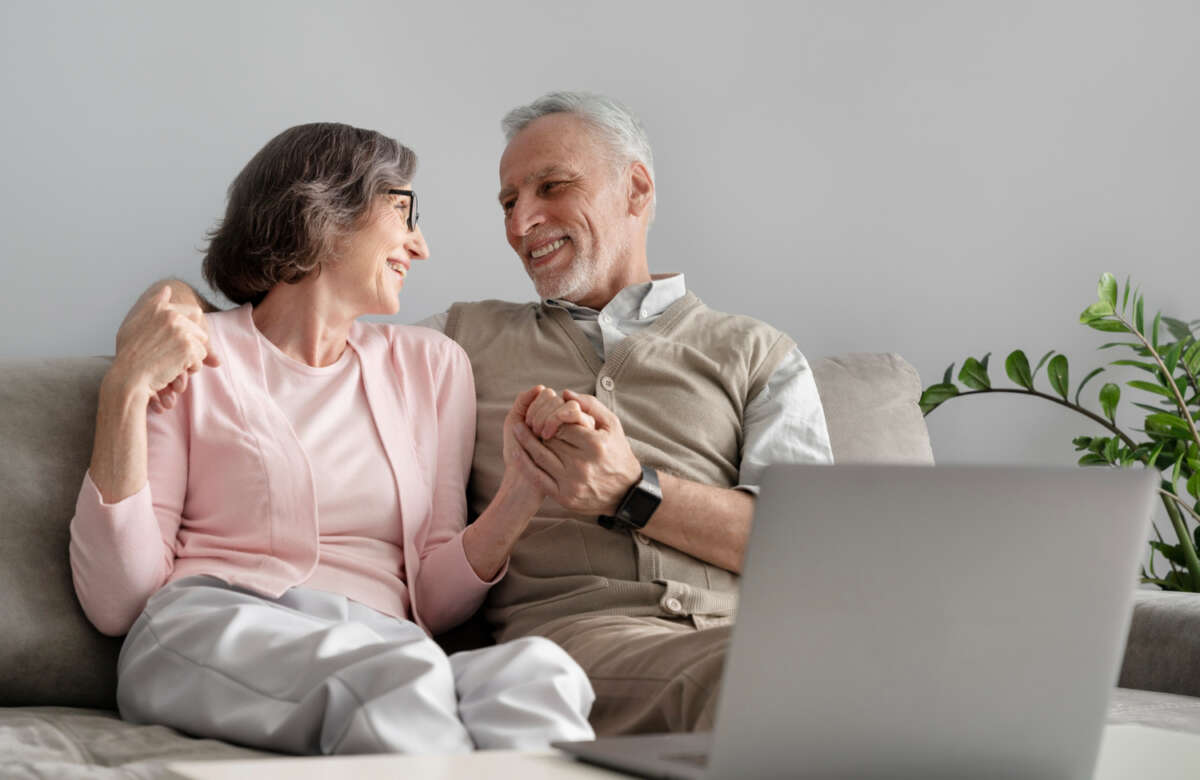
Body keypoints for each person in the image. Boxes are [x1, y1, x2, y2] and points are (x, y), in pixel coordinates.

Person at [128, 92, 834, 737]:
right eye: (507, 201)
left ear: (636, 189)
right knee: (773, 682)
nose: (522, 222)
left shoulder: (758, 354)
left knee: (845, 661)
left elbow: (812, 554)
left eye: (552, 187)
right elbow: (311, 321)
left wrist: (632, 490)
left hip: (740, 630)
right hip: (587, 638)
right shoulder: (457, 342)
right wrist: (175, 306)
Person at [68, 122, 595, 756]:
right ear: (322, 211)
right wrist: (123, 392)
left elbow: (431, 595)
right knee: (393, 684)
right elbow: (117, 601)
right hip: (211, 625)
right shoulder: (197, 352)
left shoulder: (431, 366)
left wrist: (524, 488)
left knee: (540, 677)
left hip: (386, 644)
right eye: (405, 212)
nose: (420, 246)